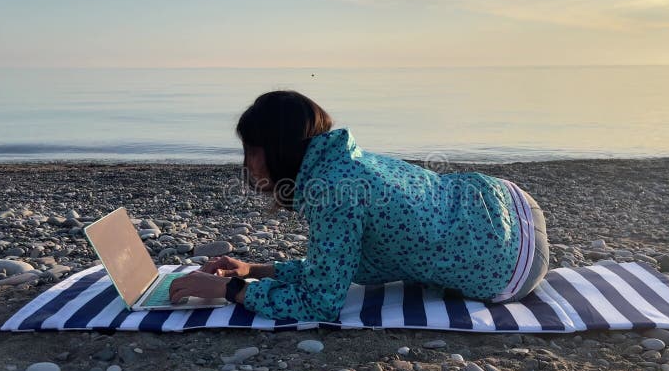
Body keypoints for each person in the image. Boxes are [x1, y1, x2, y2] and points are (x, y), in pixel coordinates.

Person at [169, 90, 549, 322]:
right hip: (505, 200)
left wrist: (231, 290)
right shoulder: (343, 160)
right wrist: (256, 269)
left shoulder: (333, 194)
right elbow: (332, 266)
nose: (248, 163)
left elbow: (320, 303)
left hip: (509, 263)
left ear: (279, 150)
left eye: (253, 151)